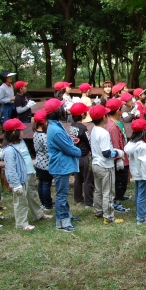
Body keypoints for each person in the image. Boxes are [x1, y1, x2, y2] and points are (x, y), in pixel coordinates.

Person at [3, 118, 52, 230]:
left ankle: (38, 214)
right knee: (21, 201)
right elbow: (11, 169)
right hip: (19, 180)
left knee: (32, 195)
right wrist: (16, 184)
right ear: (14, 132)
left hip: (29, 174)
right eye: (21, 130)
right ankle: (21, 223)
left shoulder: (22, 142)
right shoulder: (9, 150)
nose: (23, 132)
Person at [45, 98, 82, 231]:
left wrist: (70, 140)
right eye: (62, 108)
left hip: (63, 165)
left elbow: (65, 141)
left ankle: (67, 215)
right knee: (61, 195)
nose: (65, 110)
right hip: (60, 167)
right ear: (56, 112)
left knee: (63, 194)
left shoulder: (56, 125)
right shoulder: (55, 130)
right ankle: (62, 222)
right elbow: (68, 149)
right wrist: (79, 151)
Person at [90, 104, 125, 224]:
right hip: (105, 166)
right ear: (104, 117)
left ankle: (98, 212)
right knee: (108, 192)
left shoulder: (94, 130)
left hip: (95, 163)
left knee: (98, 190)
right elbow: (106, 152)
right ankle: (109, 216)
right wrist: (117, 152)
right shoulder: (104, 133)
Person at [124, 119, 146, 225]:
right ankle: (142, 217)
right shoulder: (142, 146)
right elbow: (145, 163)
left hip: (137, 173)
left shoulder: (132, 143)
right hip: (143, 174)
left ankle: (141, 212)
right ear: (144, 132)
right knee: (142, 196)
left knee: (139, 194)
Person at [105, 98, 131, 211]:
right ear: (117, 111)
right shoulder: (112, 127)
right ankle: (116, 201)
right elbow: (115, 143)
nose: (123, 109)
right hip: (119, 158)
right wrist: (118, 158)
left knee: (123, 179)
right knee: (120, 180)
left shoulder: (118, 121)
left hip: (124, 154)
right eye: (121, 108)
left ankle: (119, 196)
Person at [68, 103, 94, 207]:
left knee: (78, 179)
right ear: (83, 114)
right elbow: (88, 141)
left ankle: (78, 198)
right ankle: (89, 201)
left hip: (76, 156)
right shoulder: (83, 128)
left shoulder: (72, 126)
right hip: (84, 156)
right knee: (88, 179)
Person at [32, 109, 53, 211]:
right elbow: (49, 151)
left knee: (41, 183)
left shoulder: (35, 133)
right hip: (46, 164)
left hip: (39, 162)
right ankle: (47, 204)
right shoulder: (45, 136)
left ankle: (43, 202)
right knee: (46, 184)